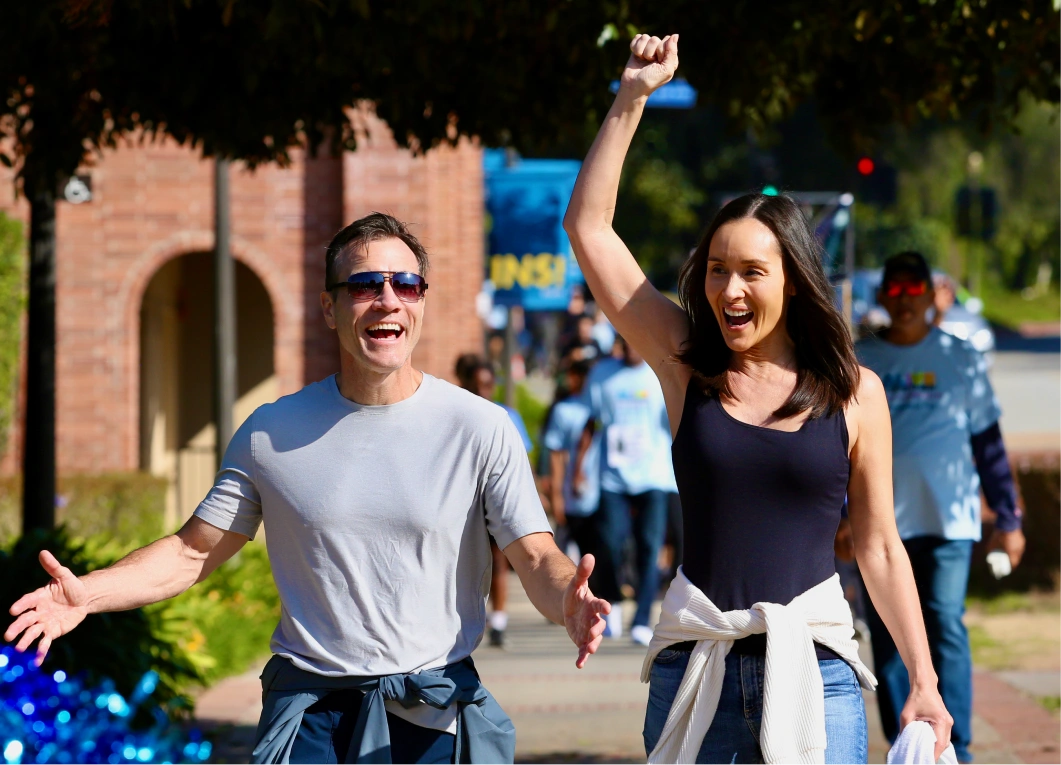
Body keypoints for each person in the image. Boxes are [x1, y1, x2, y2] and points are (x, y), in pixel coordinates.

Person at [5, 212, 610, 765]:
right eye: (366, 285)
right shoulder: (272, 431)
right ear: (329, 308)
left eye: (406, 284)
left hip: (435, 713)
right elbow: (192, 552)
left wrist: (568, 603)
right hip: (310, 720)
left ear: (422, 301)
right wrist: (88, 594)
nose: (386, 301)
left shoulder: (480, 426)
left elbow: (534, 556)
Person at [563, 33, 951, 764]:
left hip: (818, 670)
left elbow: (876, 545)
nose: (728, 290)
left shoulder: (854, 393)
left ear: (794, 280)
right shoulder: (685, 364)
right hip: (694, 671)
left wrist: (923, 681)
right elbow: (588, 229)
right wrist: (631, 97)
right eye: (715, 270)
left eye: (750, 271)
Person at [856, 251, 1025, 764]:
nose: (906, 300)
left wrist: (1010, 519)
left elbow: (989, 446)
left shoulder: (961, 358)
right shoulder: (861, 362)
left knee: (945, 623)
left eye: (916, 289)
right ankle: (906, 744)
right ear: (883, 296)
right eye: (897, 290)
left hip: (949, 521)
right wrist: (844, 515)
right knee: (888, 634)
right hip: (881, 526)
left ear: (934, 297)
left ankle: (959, 747)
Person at [575, 336, 676, 646]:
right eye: (628, 343)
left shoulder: (661, 374)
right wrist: (578, 468)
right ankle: (612, 602)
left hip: (654, 476)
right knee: (610, 543)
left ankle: (642, 619)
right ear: (620, 344)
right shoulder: (602, 374)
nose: (634, 347)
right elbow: (590, 423)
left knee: (650, 547)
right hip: (613, 478)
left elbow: (677, 420)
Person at [456, 354, 533, 648]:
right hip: (462, 501)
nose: (483, 393)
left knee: (499, 560)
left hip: (496, 497)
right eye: (477, 386)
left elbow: (522, 463)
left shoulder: (506, 416)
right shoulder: (456, 413)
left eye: (488, 386)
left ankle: (499, 620)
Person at [543, 360, 600, 565]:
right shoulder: (563, 410)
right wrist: (557, 494)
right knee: (569, 554)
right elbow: (556, 453)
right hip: (572, 496)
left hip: (602, 492)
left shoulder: (601, 407)